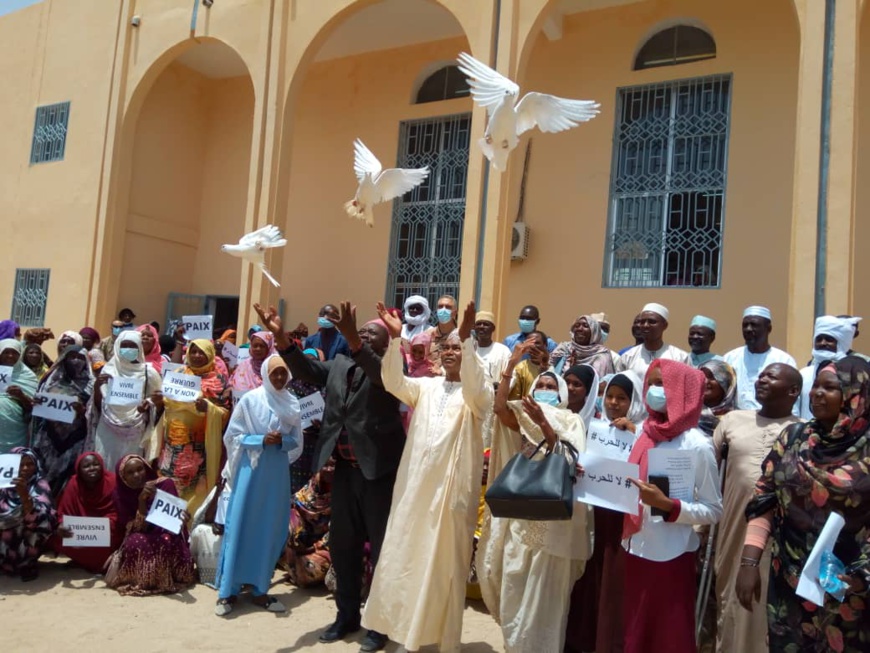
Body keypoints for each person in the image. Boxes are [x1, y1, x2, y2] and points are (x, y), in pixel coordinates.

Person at [256, 300, 405, 652]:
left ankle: (379, 624)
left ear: (385, 345)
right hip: (344, 473)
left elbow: (380, 376)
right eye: (361, 332)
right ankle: (347, 616)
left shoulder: (390, 367)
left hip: (378, 474)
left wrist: (353, 338)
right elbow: (306, 370)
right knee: (344, 546)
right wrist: (282, 339)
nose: (365, 336)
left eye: (372, 334)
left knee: (381, 551)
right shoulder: (339, 364)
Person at [362, 300, 492, 653]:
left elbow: (478, 389)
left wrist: (464, 337)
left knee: (442, 566)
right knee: (407, 558)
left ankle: (440, 640)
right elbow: (392, 380)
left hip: (450, 498)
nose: (450, 353)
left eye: (457, 348)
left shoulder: (477, 396)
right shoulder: (426, 388)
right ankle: (408, 634)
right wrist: (393, 339)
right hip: (415, 493)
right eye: (445, 348)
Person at [739, 357, 870, 651]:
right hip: (790, 581)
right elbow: (764, 499)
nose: (817, 393)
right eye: (816, 386)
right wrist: (749, 563)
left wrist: (860, 574)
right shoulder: (794, 438)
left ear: (856, 396)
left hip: (849, 586)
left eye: (831, 387)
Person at [481, 366, 592, 652]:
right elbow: (499, 409)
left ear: (561, 393)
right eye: (540, 384)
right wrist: (511, 367)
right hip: (520, 513)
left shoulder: (571, 420)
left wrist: (544, 423)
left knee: (546, 596)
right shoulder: (521, 413)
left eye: (551, 386)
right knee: (514, 583)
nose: (545, 389)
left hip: (554, 519)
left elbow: (568, 457)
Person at [622, 360, 723, 653]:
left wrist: (669, 506)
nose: (654, 390)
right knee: (635, 632)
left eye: (662, 384)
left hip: (671, 555)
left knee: (669, 637)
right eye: (651, 383)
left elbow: (714, 509)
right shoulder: (644, 432)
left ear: (681, 391)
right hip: (635, 547)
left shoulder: (697, 444)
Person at [711, 363, 801, 653]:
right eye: (760, 374)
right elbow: (708, 476)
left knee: (768, 613)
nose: (762, 378)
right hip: (733, 533)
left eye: (771, 376)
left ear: (793, 391)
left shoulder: (801, 432)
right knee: (732, 609)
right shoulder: (732, 420)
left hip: (779, 541)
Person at [215, 355, 302, 616]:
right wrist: (261, 439)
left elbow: (296, 440)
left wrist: (280, 442)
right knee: (241, 524)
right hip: (250, 471)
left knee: (269, 528)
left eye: (282, 374)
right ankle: (227, 592)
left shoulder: (292, 403)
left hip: (276, 473)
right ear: (265, 373)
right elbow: (233, 435)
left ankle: (260, 589)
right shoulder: (252, 400)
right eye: (274, 373)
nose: (278, 378)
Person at [565, 370, 645, 653]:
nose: (613, 403)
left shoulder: (644, 433)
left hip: (622, 520)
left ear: (633, 401)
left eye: (621, 398)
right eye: (609, 396)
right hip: (592, 515)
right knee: (589, 576)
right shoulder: (594, 427)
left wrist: (635, 434)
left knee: (613, 580)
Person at [155, 339, 228, 516]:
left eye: (201, 352)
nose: (196, 356)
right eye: (193, 351)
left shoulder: (218, 380)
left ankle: (188, 530)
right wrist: (159, 401)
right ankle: (165, 531)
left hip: (199, 448)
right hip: (172, 444)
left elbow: (226, 413)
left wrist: (209, 409)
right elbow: (167, 402)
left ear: (210, 354)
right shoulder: (178, 373)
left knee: (196, 488)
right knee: (169, 485)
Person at [106, 454, 195, 596]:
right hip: (141, 535)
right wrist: (142, 501)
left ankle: (165, 580)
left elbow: (174, 526)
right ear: (123, 477)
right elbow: (134, 529)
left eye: (140, 469)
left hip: (166, 536)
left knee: (166, 540)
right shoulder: (120, 495)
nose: (136, 475)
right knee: (136, 541)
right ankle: (143, 581)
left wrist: (181, 520)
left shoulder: (165, 484)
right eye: (130, 472)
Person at [90, 331, 162, 470]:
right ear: (117, 347)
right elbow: (99, 404)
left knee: (129, 468)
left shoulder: (149, 372)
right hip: (107, 428)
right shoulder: (109, 370)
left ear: (139, 348)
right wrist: (97, 386)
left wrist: (149, 404)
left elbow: (159, 400)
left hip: (135, 430)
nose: (128, 349)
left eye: (132, 346)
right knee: (105, 465)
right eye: (124, 345)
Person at [30, 346, 93, 497]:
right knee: (45, 476)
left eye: (80, 358)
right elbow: (40, 408)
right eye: (72, 357)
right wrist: (36, 403)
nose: (76, 361)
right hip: (48, 439)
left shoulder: (92, 384)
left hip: (76, 439)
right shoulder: (50, 380)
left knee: (67, 480)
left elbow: (95, 414)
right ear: (64, 359)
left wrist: (82, 411)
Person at [55, 451, 119, 573]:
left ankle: (102, 563)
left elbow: (119, 511)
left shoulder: (113, 482)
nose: (92, 469)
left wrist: (103, 526)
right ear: (79, 470)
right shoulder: (74, 484)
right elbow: (64, 512)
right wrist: (63, 525)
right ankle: (84, 561)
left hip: (107, 530)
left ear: (102, 465)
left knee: (113, 532)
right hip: (82, 532)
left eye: (96, 464)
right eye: (86, 466)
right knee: (57, 536)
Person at [0, 447, 57, 581]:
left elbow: (45, 517)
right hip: (3, 537)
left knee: (43, 521)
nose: (25, 468)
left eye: (29, 464)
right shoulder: (2, 485)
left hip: (26, 537)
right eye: (20, 464)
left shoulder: (40, 484)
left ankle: (26, 565)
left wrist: (24, 495)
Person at [723, 306, 796, 410]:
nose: (748, 329)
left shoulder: (784, 360)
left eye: (754, 325)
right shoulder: (730, 358)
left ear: (768, 328)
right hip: (737, 420)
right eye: (745, 325)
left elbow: (791, 398)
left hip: (772, 420)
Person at [796, 315, 854, 419]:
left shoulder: (851, 374)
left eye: (829, 339)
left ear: (840, 343)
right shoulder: (804, 373)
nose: (822, 343)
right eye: (819, 339)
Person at [617, 303, 691, 380]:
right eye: (642, 322)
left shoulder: (680, 357)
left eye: (651, 321)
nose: (646, 325)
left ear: (665, 325)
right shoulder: (627, 357)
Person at [0, 339, 39, 453]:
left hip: (15, 431)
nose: (10, 356)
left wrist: (21, 396)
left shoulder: (27, 376)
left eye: (15, 353)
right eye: (6, 352)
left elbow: (35, 406)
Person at [551, 314, 615, 378]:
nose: (580, 329)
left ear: (594, 332)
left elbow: (597, 383)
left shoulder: (602, 355)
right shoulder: (564, 349)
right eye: (577, 326)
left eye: (586, 326)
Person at [229, 330, 275, 400]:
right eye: (255, 346)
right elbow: (232, 385)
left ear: (269, 347)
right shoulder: (243, 366)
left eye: (262, 346)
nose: (258, 349)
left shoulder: (274, 367)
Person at [697, 359, 737, 437]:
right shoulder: (688, 414)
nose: (705, 381)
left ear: (727, 382)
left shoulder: (736, 419)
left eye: (712, 377)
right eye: (701, 376)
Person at [507, 331, 551, 400]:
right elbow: (515, 399)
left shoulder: (552, 366)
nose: (533, 346)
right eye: (530, 343)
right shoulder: (520, 368)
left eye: (537, 343)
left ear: (545, 345)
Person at [425, 294, 459, 374]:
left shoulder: (460, 337)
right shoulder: (427, 335)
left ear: (455, 312)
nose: (443, 310)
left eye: (448, 307)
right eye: (440, 306)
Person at [473, 310, 511, 382]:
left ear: (493, 328)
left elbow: (510, 374)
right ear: (474, 327)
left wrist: (500, 387)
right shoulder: (469, 350)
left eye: (486, 324)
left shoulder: (503, 351)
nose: (482, 327)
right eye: (478, 324)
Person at [563, 363, 600, 428]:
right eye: (567, 382)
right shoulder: (553, 412)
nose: (569, 388)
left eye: (576, 384)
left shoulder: (598, 421)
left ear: (588, 390)